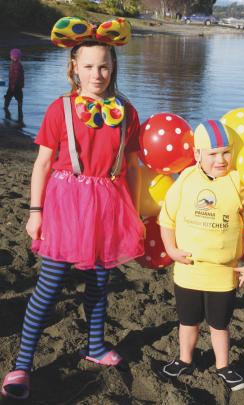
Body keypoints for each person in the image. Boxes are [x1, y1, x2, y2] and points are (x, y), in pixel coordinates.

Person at [1, 16, 145, 401]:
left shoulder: (127, 113)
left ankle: (95, 346)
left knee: (100, 284)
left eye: (104, 66)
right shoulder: (59, 109)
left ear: (113, 67)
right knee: (48, 288)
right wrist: (35, 212)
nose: (97, 73)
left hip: (109, 206)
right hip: (66, 206)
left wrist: (137, 212)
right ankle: (22, 364)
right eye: (88, 66)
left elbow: (131, 168)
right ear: (74, 68)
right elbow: (42, 165)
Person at [157, 119, 244, 391]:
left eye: (226, 152)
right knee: (188, 320)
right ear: (197, 154)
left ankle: (224, 366)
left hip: (223, 272)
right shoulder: (186, 180)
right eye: (212, 153)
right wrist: (170, 249)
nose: (221, 159)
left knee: (219, 323)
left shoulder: (239, 182)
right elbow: (166, 218)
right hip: (188, 269)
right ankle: (184, 359)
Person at [4, 48, 24, 122]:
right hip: (17, 86)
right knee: (19, 98)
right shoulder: (19, 64)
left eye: (11, 55)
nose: (10, 57)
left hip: (13, 85)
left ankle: (6, 108)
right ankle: (20, 112)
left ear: (13, 57)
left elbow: (16, 76)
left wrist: (13, 86)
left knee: (8, 97)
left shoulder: (15, 65)